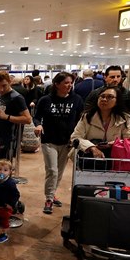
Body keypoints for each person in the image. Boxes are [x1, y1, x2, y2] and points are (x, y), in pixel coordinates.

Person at [33, 72, 84, 214]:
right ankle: (49, 199)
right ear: (57, 84)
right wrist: (38, 125)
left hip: (67, 142)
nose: (69, 85)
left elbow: (81, 119)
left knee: (59, 172)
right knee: (52, 170)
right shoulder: (45, 100)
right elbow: (37, 118)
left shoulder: (77, 100)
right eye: (66, 82)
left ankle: (52, 193)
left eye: (70, 82)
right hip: (49, 141)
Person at [70, 86, 130, 159]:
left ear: (117, 102)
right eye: (102, 96)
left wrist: (113, 143)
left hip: (115, 157)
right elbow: (75, 137)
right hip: (89, 157)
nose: (104, 99)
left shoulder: (123, 118)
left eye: (110, 97)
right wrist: (92, 147)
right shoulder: (87, 116)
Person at [0, 71, 32, 160]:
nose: (1, 89)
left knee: (3, 167)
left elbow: (28, 119)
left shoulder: (17, 97)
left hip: (8, 138)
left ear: (10, 82)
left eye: (4, 85)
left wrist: (6, 117)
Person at [0, 159, 21, 244]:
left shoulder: (10, 183)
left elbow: (16, 194)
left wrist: (11, 204)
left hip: (5, 206)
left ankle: (4, 234)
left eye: (5, 170)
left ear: (10, 172)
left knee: (4, 221)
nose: (2, 172)